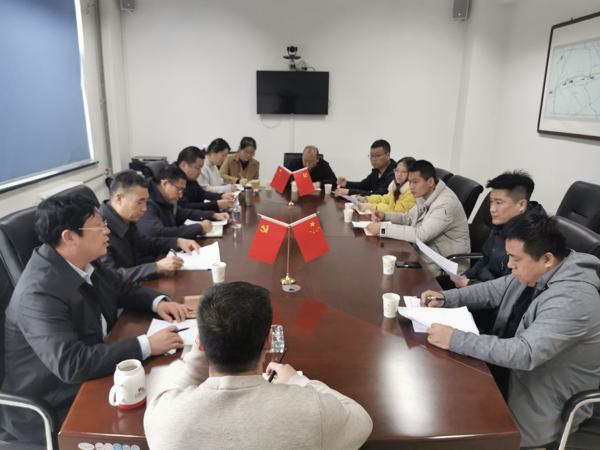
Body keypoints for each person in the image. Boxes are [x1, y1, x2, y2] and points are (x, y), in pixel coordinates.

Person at [0, 194, 190, 444]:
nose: (107, 231)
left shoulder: (81, 261)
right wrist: (147, 345)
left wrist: (159, 303)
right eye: (99, 226)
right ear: (69, 237)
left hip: (93, 374)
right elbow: (72, 364)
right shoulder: (38, 293)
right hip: (55, 403)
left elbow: (120, 287)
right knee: (163, 424)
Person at [420, 214, 600, 448]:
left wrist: (455, 338)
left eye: (515, 258)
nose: (509, 265)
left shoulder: (573, 299)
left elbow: (525, 353)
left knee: (446, 420)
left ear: (547, 259)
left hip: (539, 403)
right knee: (437, 390)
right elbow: (492, 290)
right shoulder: (539, 271)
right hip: (509, 375)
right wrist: (445, 298)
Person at [144, 281, 373, 450]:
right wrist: (297, 380)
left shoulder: (163, 415)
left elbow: (170, 391)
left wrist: (199, 354)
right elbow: (361, 420)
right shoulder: (312, 411)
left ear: (200, 344)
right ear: (268, 342)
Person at [366, 160, 470, 275]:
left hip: (445, 267)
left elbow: (421, 235)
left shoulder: (445, 204)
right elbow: (408, 218)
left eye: (415, 182)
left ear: (430, 182)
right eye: (410, 182)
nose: (411, 186)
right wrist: (385, 215)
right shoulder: (425, 195)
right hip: (425, 255)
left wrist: (382, 228)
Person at [449, 170, 546, 289]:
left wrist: (469, 285)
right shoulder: (503, 221)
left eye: (499, 203)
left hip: (494, 294)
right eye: (491, 202)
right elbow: (485, 258)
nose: (492, 209)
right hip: (478, 285)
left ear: (521, 205)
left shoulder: (533, 237)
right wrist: (466, 276)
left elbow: (509, 289)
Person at [100, 170, 202, 283]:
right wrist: (156, 267)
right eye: (140, 202)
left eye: (146, 202)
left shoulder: (124, 217)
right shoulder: (98, 229)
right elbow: (109, 278)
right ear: (119, 199)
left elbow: (145, 243)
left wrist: (177, 242)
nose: (145, 209)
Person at [138, 166, 222, 239]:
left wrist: (212, 215)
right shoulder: (146, 201)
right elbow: (157, 233)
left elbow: (182, 212)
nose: (181, 195)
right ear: (165, 184)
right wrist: (198, 228)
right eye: (179, 189)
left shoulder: (165, 198)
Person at [176, 146, 234, 212]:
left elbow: (201, 193)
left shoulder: (189, 178)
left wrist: (221, 196)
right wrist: (216, 205)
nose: (200, 172)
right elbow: (185, 207)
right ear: (184, 165)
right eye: (197, 168)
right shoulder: (174, 179)